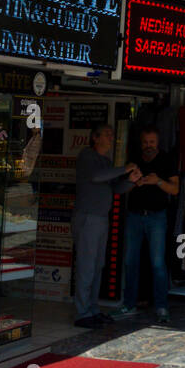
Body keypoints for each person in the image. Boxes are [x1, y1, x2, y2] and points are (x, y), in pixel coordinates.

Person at [72, 125, 140, 328]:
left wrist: (131, 181)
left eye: (112, 134)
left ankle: (92, 309)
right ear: (95, 138)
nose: (111, 137)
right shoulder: (87, 156)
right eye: (107, 134)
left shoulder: (106, 162)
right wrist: (124, 169)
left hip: (101, 217)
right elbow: (96, 177)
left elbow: (114, 188)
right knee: (86, 267)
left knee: (97, 266)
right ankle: (82, 312)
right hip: (88, 218)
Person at [112, 126, 179, 325]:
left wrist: (157, 181)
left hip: (157, 216)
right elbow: (120, 188)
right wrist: (134, 183)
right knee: (130, 261)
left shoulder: (167, 160)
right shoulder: (133, 160)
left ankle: (161, 306)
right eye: (145, 142)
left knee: (157, 263)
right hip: (134, 215)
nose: (148, 146)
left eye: (151, 142)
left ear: (157, 142)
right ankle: (129, 304)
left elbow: (175, 189)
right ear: (140, 143)